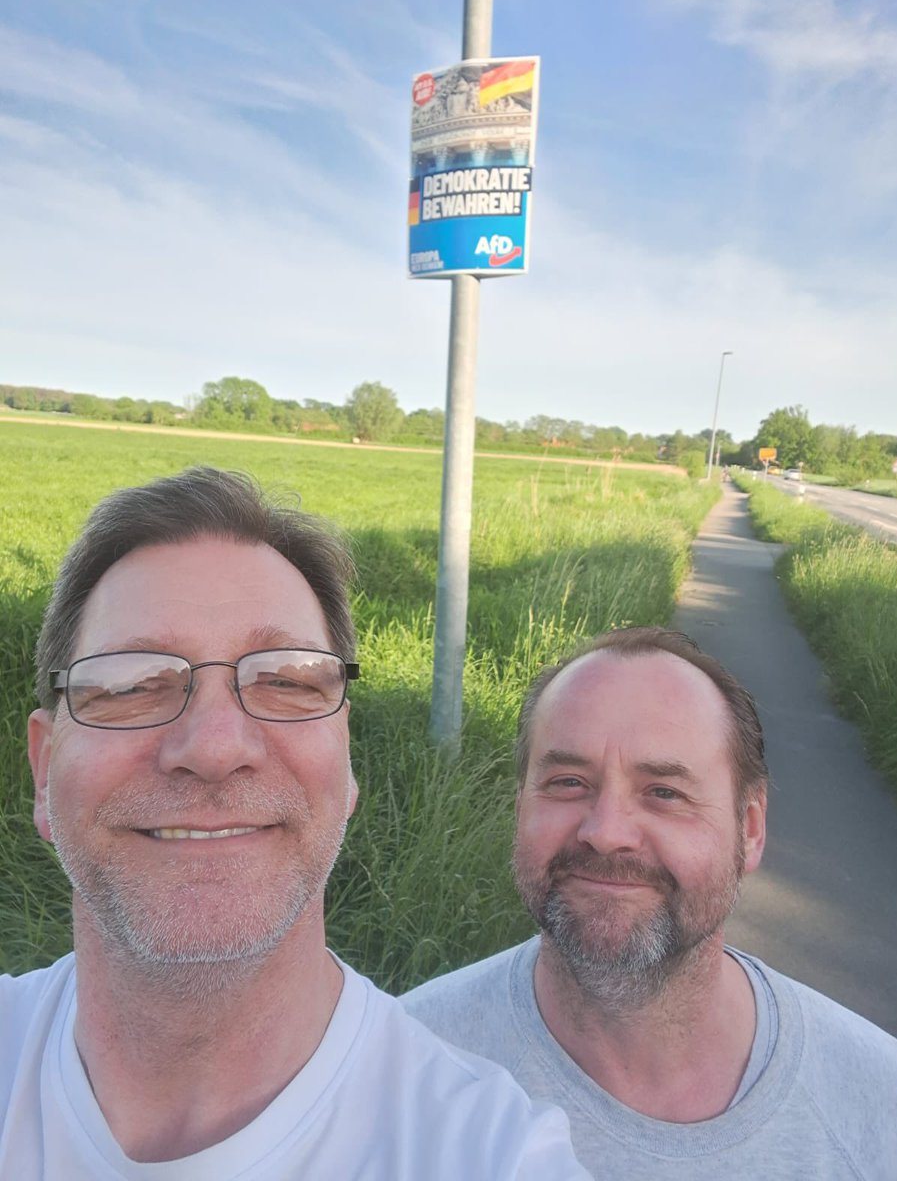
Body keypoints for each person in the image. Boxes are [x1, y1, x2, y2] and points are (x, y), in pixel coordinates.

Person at [2, 467, 589, 1179]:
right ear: (44, 769)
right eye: (131, 683)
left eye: (285, 681)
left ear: (344, 771)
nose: (216, 748)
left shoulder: (489, 1154)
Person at [403, 627, 897, 1178]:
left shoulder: (878, 1107)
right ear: (521, 808)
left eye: (664, 792)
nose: (606, 831)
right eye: (568, 782)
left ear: (751, 830)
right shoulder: (401, 1073)